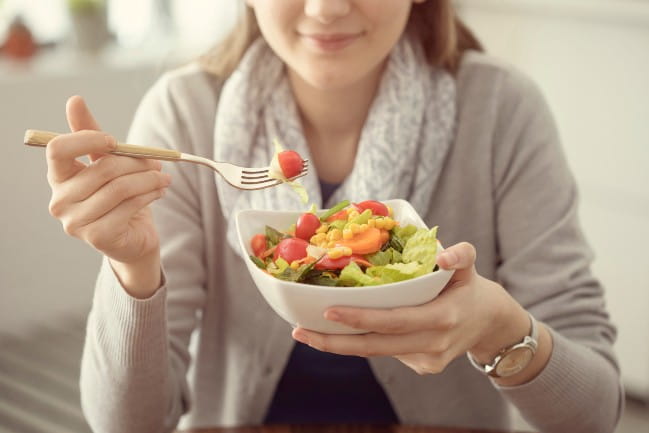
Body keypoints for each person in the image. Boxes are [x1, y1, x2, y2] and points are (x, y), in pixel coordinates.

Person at [43, 1, 623, 432]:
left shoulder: (502, 110)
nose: (326, 8)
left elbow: (595, 412)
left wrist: (500, 328)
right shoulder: (184, 113)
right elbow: (128, 424)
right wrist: (134, 269)